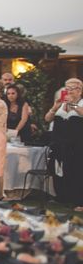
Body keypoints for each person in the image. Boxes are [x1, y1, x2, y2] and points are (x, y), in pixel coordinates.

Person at [45, 78, 83, 207]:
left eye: (71, 88)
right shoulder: (61, 104)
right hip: (59, 143)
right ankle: (62, 196)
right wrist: (55, 107)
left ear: (79, 90)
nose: (68, 91)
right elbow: (47, 118)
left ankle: (79, 200)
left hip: (77, 144)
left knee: (77, 171)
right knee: (60, 170)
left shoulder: (81, 103)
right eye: (66, 88)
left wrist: (73, 105)